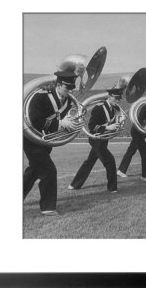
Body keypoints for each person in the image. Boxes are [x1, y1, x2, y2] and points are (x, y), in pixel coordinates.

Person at [23, 56, 84, 216]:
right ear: (58, 84)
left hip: (46, 142)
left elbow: (68, 119)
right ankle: (48, 207)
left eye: (71, 89)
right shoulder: (40, 96)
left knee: (33, 171)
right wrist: (60, 124)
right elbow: (34, 120)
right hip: (31, 140)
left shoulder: (69, 101)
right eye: (66, 88)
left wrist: (71, 124)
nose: (69, 92)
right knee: (49, 171)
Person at [68, 87, 125, 192]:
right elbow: (91, 126)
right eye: (116, 98)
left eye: (119, 99)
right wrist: (107, 127)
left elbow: (114, 120)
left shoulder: (114, 108)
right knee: (110, 161)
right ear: (110, 96)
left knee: (89, 162)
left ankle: (74, 185)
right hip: (96, 139)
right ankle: (112, 188)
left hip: (103, 139)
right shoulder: (99, 107)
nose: (117, 101)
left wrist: (119, 123)